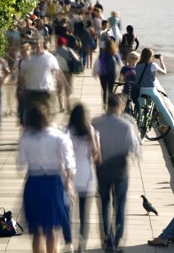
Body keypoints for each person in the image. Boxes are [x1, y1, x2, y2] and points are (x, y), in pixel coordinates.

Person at [18, 104, 75, 253]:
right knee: (52, 228)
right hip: (53, 183)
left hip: (33, 182)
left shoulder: (26, 138)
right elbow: (69, 161)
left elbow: (20, 165)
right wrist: (68, 181)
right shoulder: (58, 136)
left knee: (37, 230)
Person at [92, 94, 141, 252]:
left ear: (108, 105)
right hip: (120, 167)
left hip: (102, 167)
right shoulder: (126, 125)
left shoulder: (96, 123)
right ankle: (118, 240)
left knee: (104, 203)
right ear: (120, 106)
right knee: (120, 204)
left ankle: (108, 240)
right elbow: (135, 148)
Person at [66, 104, 101, 253]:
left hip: (71, 174)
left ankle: (69, 243)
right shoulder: (91, 131)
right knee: (83, 214)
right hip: (86, 174)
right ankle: (82, 244)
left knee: (68, 212)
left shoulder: (67, 131)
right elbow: (96, 155)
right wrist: (93, 136)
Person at [134, 48, 174, 135]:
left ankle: (141, 131)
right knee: (163, 109)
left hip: (140, 91)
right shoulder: (153, 65)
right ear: (151, 56)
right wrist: (161, 61)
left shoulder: (137, 65)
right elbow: (164, 72)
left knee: (142, 111)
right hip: (151, 91)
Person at [18, 35, 62, 115]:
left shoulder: (50, 58)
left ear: (42, 44)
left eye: (38, 43)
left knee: (45, 115)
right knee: (32, 115)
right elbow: (21, 74)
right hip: (31, 91)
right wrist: (21, 86)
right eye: (34, 44)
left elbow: (56, 73)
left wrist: (57, 85)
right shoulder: (28, 58)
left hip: (45, 91)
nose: (36, 46)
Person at [94, 40, 121, 111]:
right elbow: (119, 63)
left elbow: (98, 62)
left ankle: (104, 104)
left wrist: (97, 72)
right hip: (112, 74)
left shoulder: (102, 53)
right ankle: (110, 104)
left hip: (103, 74)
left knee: (104, 90)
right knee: (111, 90)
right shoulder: (115, 54)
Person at [54, 36, 76, 113]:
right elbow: (76, 58)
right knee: (68, 89)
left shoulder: (55, 52)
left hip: (58, 72)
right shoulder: (68, 50)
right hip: (67, 72)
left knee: (59, 89)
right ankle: (68, 106)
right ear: (65, 43)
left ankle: (61, 106)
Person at [16, 41, 31, 127]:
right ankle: (23, 125)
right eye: (22, 50)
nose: (23, 52)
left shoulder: (33, 61)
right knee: (22, 110)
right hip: (21, 89)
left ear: (29, 50)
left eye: (25, 50)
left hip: (31, 88)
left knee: (29, 110)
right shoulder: (19, 62)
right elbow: (16, 75)